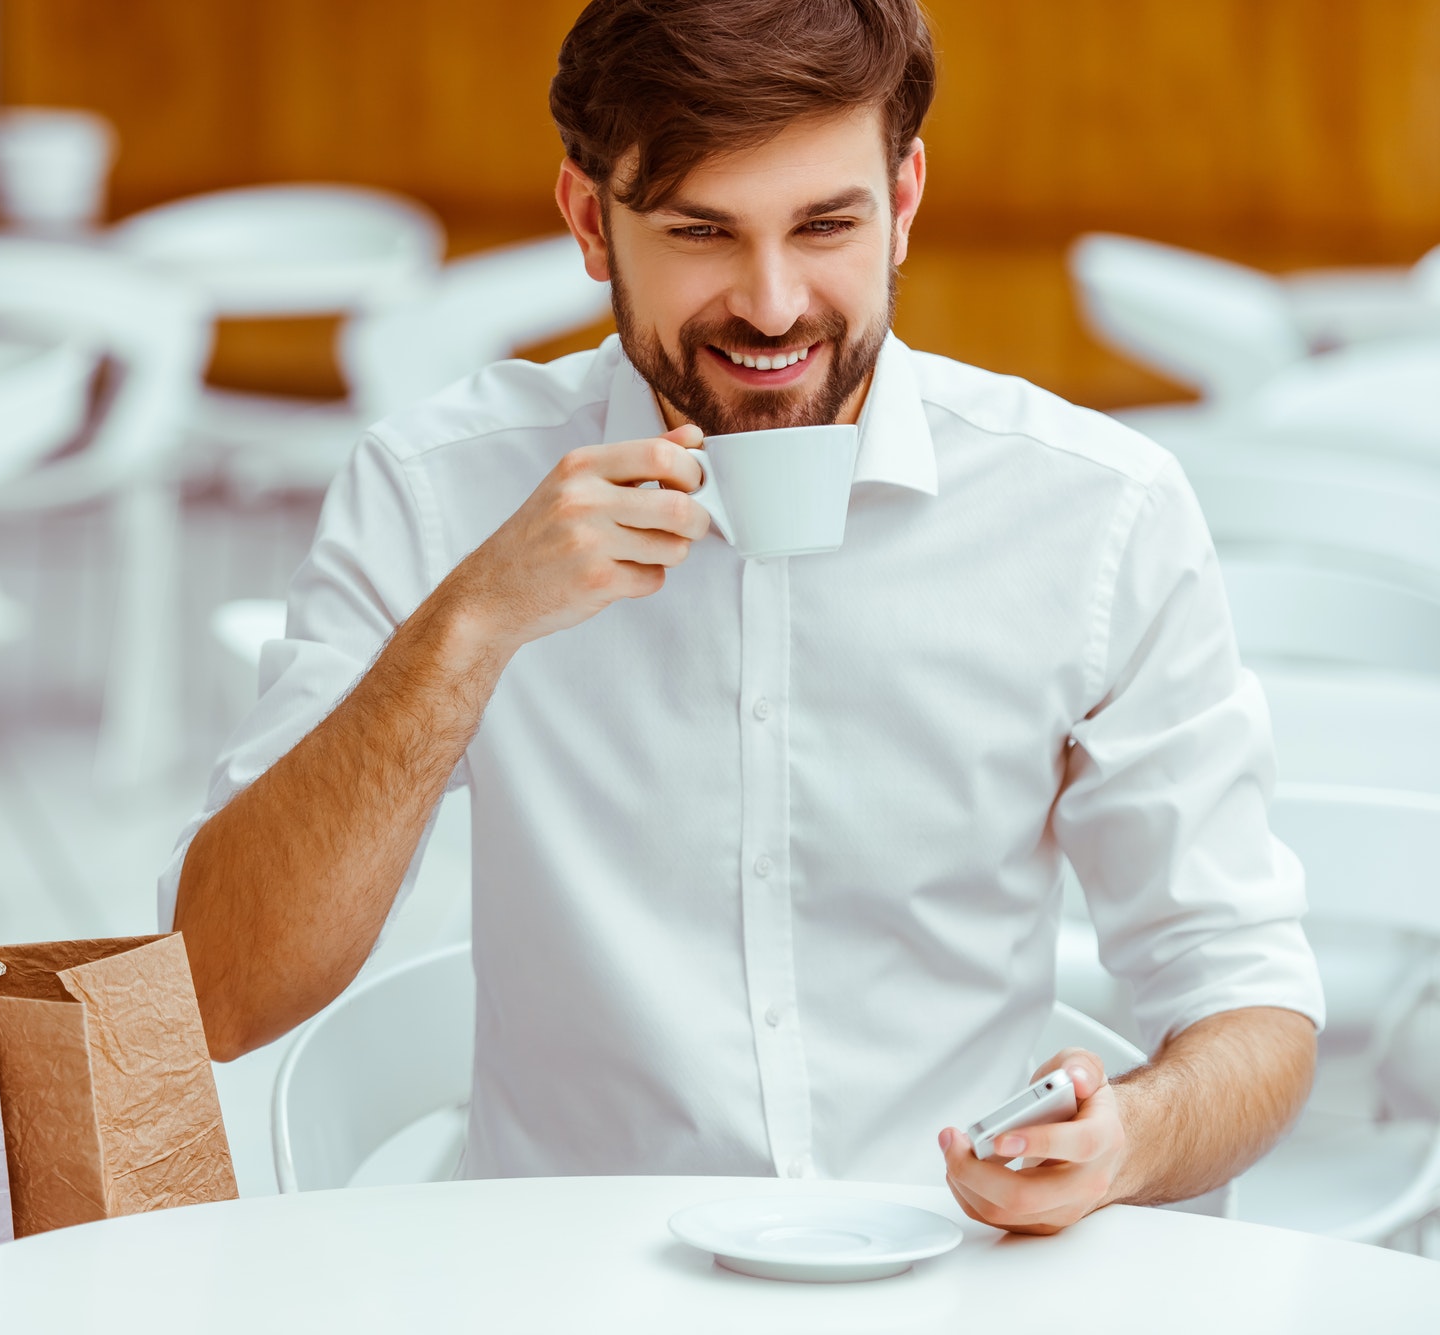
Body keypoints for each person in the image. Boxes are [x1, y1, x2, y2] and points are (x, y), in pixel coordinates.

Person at [163, 0, 1323, 1234]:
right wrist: (471, 626)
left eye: (825, 226)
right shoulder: (435, 490)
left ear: (905, 199)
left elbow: (1248, 998)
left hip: (951, 1278)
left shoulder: (1095, 513)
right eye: (701, 233)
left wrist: (1130, 1140)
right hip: (567, 1291)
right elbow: (220, 994)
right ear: (587, 221)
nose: (771, 306)